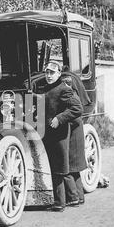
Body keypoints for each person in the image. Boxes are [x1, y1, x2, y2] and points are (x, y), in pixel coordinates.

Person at [41, 61, 83, 212]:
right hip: (49, 134)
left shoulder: (64, 89)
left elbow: (77, 108)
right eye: (47, 72)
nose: (49, 75)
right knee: (58, 167)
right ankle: (74, 198)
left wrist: (59, 118)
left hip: (59, 134)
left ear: (59, 74)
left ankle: (60, 203)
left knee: (59, 168)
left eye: (52, 73)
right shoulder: (48, 88)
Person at [61, 66, 89, 206]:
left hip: (72, 134)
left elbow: (74, 112)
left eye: (65, 83)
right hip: (77, 133)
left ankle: (73, 198)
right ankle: (80, 197)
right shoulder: (74, 94)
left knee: (65, 167)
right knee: (75, 168)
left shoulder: (69, 96)